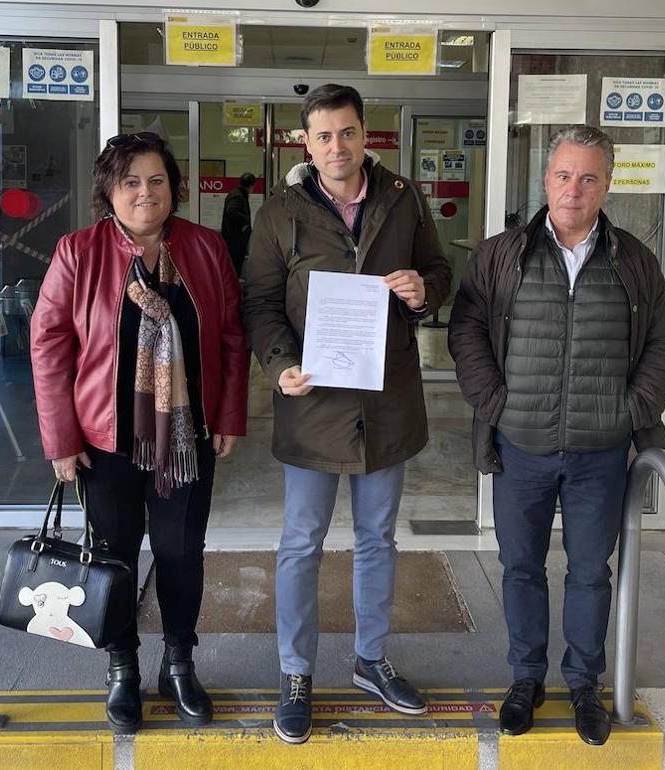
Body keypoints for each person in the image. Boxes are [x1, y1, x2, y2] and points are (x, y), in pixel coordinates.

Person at [447, 125, 665, 746]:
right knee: (520, 567)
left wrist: (632, 410)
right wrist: (497, 401)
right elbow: (465, 331)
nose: (573, 189)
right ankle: (526, 678)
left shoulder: (632, 258)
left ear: (607, 185)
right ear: (544, 180)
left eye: (588, 178)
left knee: (588, 572)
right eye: (562, 175)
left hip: (598, 452)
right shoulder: (502, 254)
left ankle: (584, 684)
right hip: (521, 444)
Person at [242, 83, 451, 745]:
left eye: (348, 132)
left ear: (366, 135)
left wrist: (424, 292)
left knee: (377, 541)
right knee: (302, 543)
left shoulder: (403, 198)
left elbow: (439, 272)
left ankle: (370, 660)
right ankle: (296, 672)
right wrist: (278, 365)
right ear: (306, 142)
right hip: (313, 407)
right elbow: (260, 303)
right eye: (323, 135)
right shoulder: (279, 213)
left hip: (387, 405)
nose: (337, 146)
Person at [30, 132, 248, 733]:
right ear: (109, 191)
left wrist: (228, 416)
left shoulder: (204, 249)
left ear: (174, 187)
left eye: (156, 180)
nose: (145, 193)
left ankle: (179, 662)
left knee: (181, 555)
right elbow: (48, 346)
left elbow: (231, 336)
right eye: (130, 182)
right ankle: (121, 665)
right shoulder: (78, 252)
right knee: (116, 556)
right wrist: (62, 438)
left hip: (184, 439)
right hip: (106, 441)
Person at [221, 172, 256, 277]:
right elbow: (232, 211)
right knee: (234, 267)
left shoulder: (236, 194)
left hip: (234, 239)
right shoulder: (238, 196)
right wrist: (245, 222)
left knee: (234, 266)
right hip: (235, 239)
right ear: (251, 185)